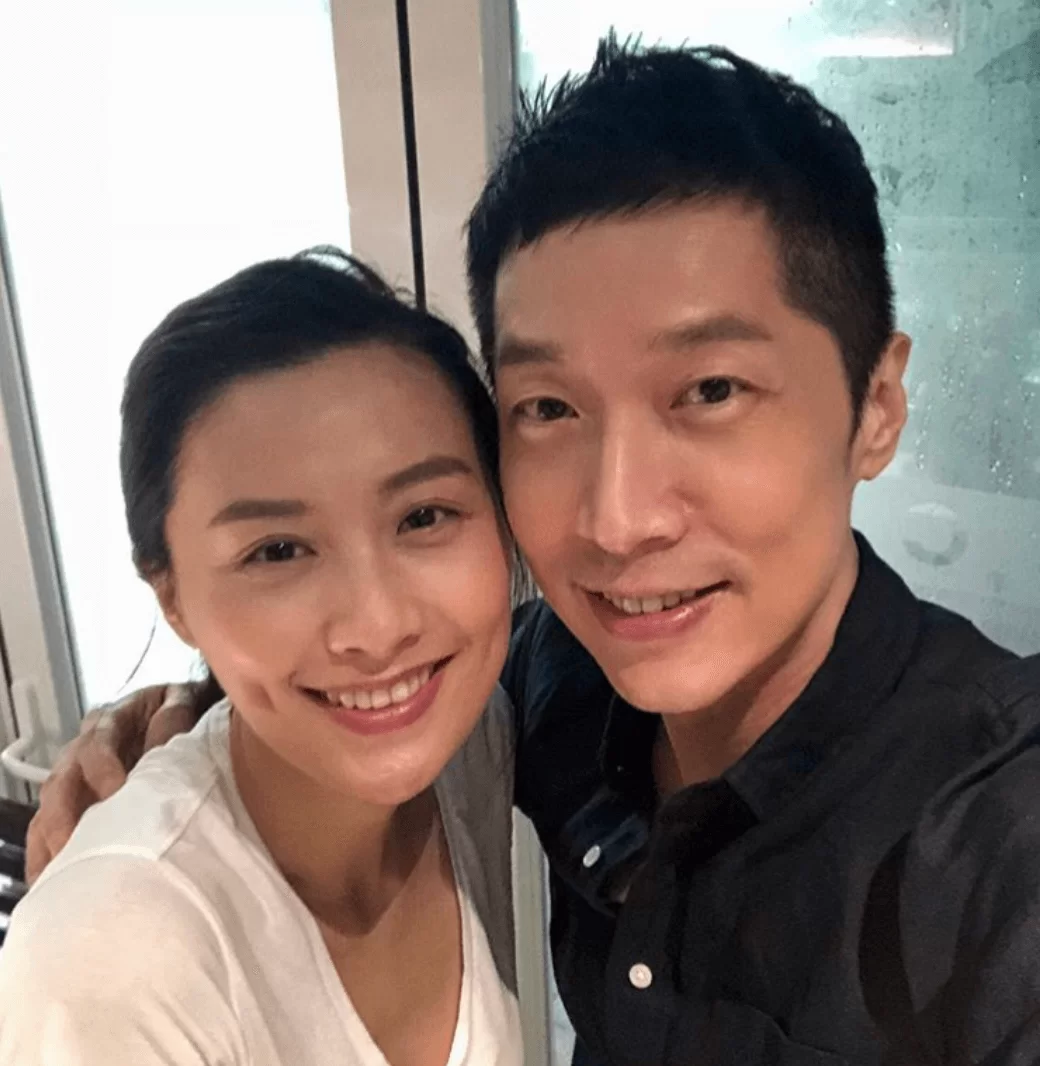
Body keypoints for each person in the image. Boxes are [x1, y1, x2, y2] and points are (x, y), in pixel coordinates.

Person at [27, 38, 1040, 1066]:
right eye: (548, 407)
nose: (617, 520)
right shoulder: (558, 682)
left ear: (876, 405)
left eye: (709, 391)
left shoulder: (997, 836)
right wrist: (191, 709)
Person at [2, 249, 524, 1066]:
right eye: (277, 551)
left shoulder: (471, 741)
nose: (378, 627)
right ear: (171, 595)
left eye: (423, 516)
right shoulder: (115, 954)